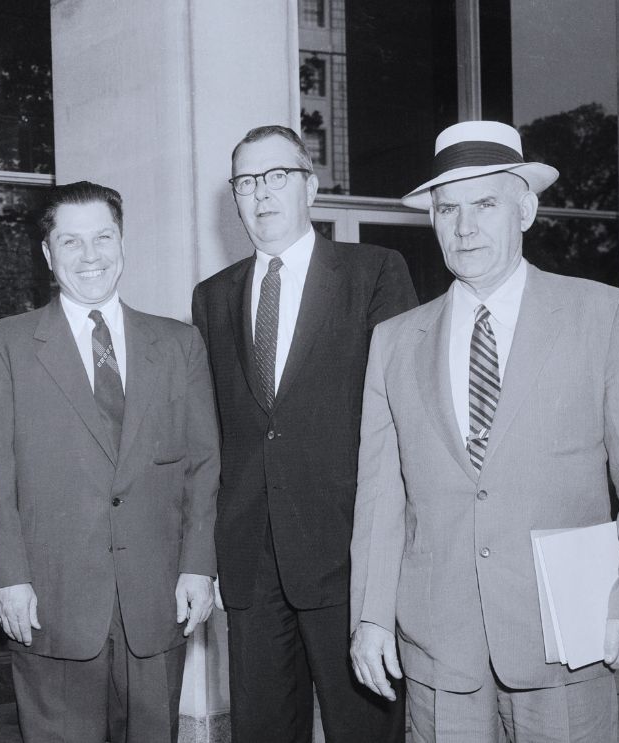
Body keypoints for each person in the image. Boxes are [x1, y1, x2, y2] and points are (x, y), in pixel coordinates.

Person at [350, 120, 619, 741]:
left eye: (485, 204)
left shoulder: (601, 315)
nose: (465, 225)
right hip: (439, 649)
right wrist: (369, 616)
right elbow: (380, 497)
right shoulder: (394, 341)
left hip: (565, 643)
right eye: (448, 208)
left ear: (524, 209)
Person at [191, 125, 416, 742]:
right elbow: (216, 431)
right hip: (251, 564)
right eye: (245, 182)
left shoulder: (373, 273)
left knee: (365, 731)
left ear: (310, 187)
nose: (260, 193)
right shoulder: (212, 297)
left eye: (277, 176)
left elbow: (402, 420)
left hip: (348, 559)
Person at [0, 181, 219, 742]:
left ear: (122, 242)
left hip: (157, 597)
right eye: (71, 242)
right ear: (47, 254)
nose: (89, 257)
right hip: (53, 601)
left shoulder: (179, 344)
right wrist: (8, 577)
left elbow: (202, 465)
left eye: (102, 238)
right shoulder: (6, 346)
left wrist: (198, 564)